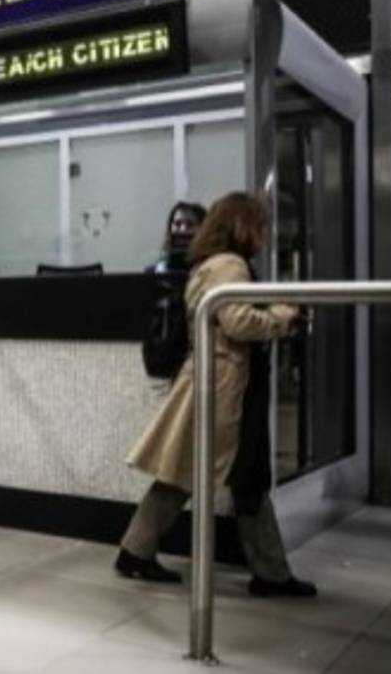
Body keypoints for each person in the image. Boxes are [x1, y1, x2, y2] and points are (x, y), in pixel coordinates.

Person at [117, 192, 317, 598]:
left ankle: (136, 551)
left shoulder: (210, 263)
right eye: (259, 227)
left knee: (188, 472)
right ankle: (270, 573)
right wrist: (283, 317)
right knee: (247, 476)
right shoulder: (230, 265)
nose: (263, 235)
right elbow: (237, 321)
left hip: (213, 379)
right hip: (228, 384)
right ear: (242, 227)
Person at [148, 201, 208, 276]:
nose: (182, 230)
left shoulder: (213, 270)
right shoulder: (156, 272)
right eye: (177, 224)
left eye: (190, 224)